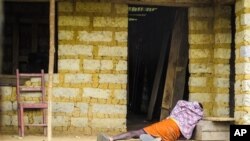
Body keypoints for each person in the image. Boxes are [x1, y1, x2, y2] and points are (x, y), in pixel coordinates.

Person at [97, 100, 204, 141]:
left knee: (137, 132)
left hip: (169, 124)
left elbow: (179, 104)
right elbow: (185, 136)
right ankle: (158, 140)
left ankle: (111, 139)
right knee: (166, 139)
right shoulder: (195, 119)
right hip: (176, 132)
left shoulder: (184, 106)